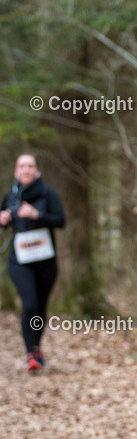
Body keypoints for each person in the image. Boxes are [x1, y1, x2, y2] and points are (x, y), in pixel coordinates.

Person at [0, 153, 65, 371]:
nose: (26, 170)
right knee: (29, 304)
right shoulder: (11, 196)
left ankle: (36, 347)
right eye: (22, 166)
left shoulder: (47, 193)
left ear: (36, 170)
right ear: (16, 171)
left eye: (30, 166)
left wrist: (37, 214)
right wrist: (3, 220)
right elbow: (3, 221)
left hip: (46, 261)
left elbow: (61, 220)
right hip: (19, 262)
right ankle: (30, 354)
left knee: (40, 308)